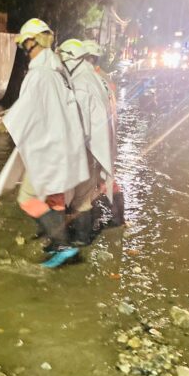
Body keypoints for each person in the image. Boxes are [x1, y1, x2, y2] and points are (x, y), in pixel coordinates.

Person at [0, 18, 90, 268]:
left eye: (25, 45)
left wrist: (4, 122)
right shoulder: (58, 72)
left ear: (31, 43)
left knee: (27, 199)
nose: (24, 50)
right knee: (55, 200)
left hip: (50, 150)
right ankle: (57, 243)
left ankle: (64, 247)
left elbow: (26, 109)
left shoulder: (39, 74)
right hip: (64, 147)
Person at [56, 38, 114, 244]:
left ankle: (78, 242)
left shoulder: (81, 84)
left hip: (86, 149)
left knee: (78, 201)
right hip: (96, 147)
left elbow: (80, 127)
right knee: (84, 197)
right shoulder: (92, 77)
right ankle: (80, 239)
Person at [82, 39, 125, 226]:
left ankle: (87, 226)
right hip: (108, 138)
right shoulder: (106, 78)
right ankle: (119, 221)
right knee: (107, 179)